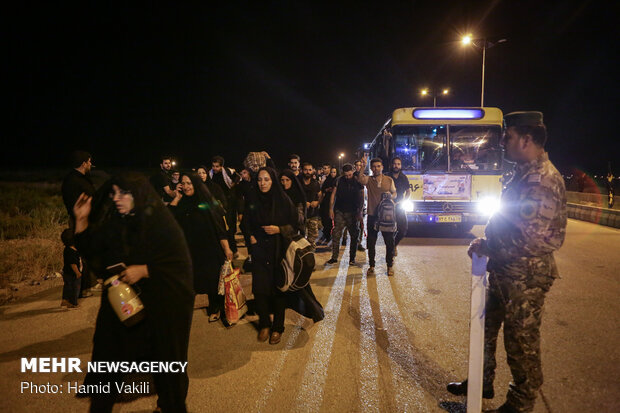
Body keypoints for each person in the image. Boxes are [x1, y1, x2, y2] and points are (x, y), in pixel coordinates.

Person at [447, 112, 567, 413]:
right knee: (484, 329)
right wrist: (488, 243)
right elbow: (509, 220)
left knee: (521, 343)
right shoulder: (523, 173)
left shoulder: (542, 179)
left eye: (508, 136)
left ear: (526, 139)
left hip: (525, 275)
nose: (503, 142)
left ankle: (521, 402)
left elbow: (532, 238)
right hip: (505, 270)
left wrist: (490, 248)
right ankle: (481, 383)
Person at [73, 172, 194, 413]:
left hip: (159, 308)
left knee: (166, 365)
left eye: (123, 193)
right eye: (114, 193)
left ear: (138, 195)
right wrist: (81, 221)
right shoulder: (117, 222)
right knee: (108, 360)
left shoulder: (162, 224)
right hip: (122, 306)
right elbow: (95, 253)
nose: (117, 198)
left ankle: (170, 406)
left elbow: (180, 266)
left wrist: (146, 270)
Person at [246, 167, 324, 345]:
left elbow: (295, 225)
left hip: (279, 250)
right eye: (260, 180)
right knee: (260, 290)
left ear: (273, 181)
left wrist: (279, 229)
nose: (263, 183)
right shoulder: (253, 199)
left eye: (266, 179)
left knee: (278, 290)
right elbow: (246, 222)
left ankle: (277, 328)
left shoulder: (283, 200)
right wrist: (250, 236)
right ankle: (265, 323)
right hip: (259, 250)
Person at [169, 172, 233, 323]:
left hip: (210, 249)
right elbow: (169, 219)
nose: (185, 187)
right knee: (192, 281)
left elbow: (219, 228)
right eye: (183, 183)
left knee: (213, 281)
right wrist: (176, 198)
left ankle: (216, 308)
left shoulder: (206, 203)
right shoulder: (182, 203)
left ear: (196, 184)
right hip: (191, 250)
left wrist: (227, 249)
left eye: (189, 183)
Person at [61, 150, 97, 297]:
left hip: (86, 220)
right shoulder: (73, 181)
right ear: (83, 163)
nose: (90, 164)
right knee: (81, 254)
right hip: (79, 221)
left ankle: (89, 284)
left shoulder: (82, 178)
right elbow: (75, 203)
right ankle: (81, 288)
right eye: (89, 162)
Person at [357, 156, 396, 276]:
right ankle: (372, 265)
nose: (376, 168)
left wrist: (391, 195)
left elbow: (395, 193)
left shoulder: (389, 180)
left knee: (389, 242)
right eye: (374, 166)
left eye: (378, 166)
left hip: (386, 216)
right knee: (371, 242)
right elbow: (360, 180)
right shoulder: (369, 180)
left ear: (382, 167)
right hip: (372, 215)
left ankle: (389, 266)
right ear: (371, 168)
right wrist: (363, 166)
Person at [326, 164, 364, 265]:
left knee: (354, 235)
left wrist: (360, 211)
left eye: (350, 175)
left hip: (353, 212)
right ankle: (334, 257)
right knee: (336, 234)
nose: (348, 177)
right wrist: (331, 209)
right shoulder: (338, 180)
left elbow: (362, 196)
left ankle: (352, 258)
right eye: (346, 175)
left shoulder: (358, 181)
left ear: (353, 171)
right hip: (340, 211)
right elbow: (333, 194)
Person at [209, 156, 241, 257]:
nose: (215, 168)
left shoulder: (228, 172)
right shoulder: (210, 174)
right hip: (217, 204)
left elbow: (238, 177)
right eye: (213, 166)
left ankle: (233, 250)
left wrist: (233, 184)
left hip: (229, 203)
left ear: (222, 166)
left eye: (217, 166)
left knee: (229, 227)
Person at [386, 156, 411, 256]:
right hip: (389, 206)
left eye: (398, 164)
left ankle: (394, 245)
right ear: (391, 165)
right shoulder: (387, 177)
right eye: (394, 164)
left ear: (401, 166)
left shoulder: (403, 177)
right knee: (389, 230)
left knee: (403, 229)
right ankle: (390, 251)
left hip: (400, 206)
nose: (396, 166)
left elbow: (408, 192)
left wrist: (403, 201)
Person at [301, 162, 322, 249]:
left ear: (313, 171)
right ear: (302, 170)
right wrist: (303, 202)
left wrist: (317, 202)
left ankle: (310, 255)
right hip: (301, 214)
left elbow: (320, 195)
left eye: (310, 170)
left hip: (313, 214)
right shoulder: (298, 182)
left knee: (313, 237)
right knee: (300, 237)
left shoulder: (315, 183)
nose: (308, 172)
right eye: (306, 170)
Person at [279, 169, 307, 233]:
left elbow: (301, 217)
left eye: (287, 180)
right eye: (282, 180)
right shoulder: (278, 193)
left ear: (292, 180)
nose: (284, 183)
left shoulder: (298, 194)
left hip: (293, 228)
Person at [60, 228, 82, 308]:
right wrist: (77, 273)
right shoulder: (71, 251)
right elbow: (73, 264)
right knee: (75, 289)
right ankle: (74, 303)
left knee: (68, 287)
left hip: (66, 272)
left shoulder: (67, 249)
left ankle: (65, 300)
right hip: (72, 273)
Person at [319, 167, 338, 245]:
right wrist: (327, 190)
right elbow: (323, 189)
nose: (333, 174)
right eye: (332, 172)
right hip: (326, 202)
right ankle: (327, 234)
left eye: (334, 172)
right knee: (326, 219)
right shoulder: (327, 180)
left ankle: (334, 236)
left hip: (336, 202)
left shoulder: (338, 180)